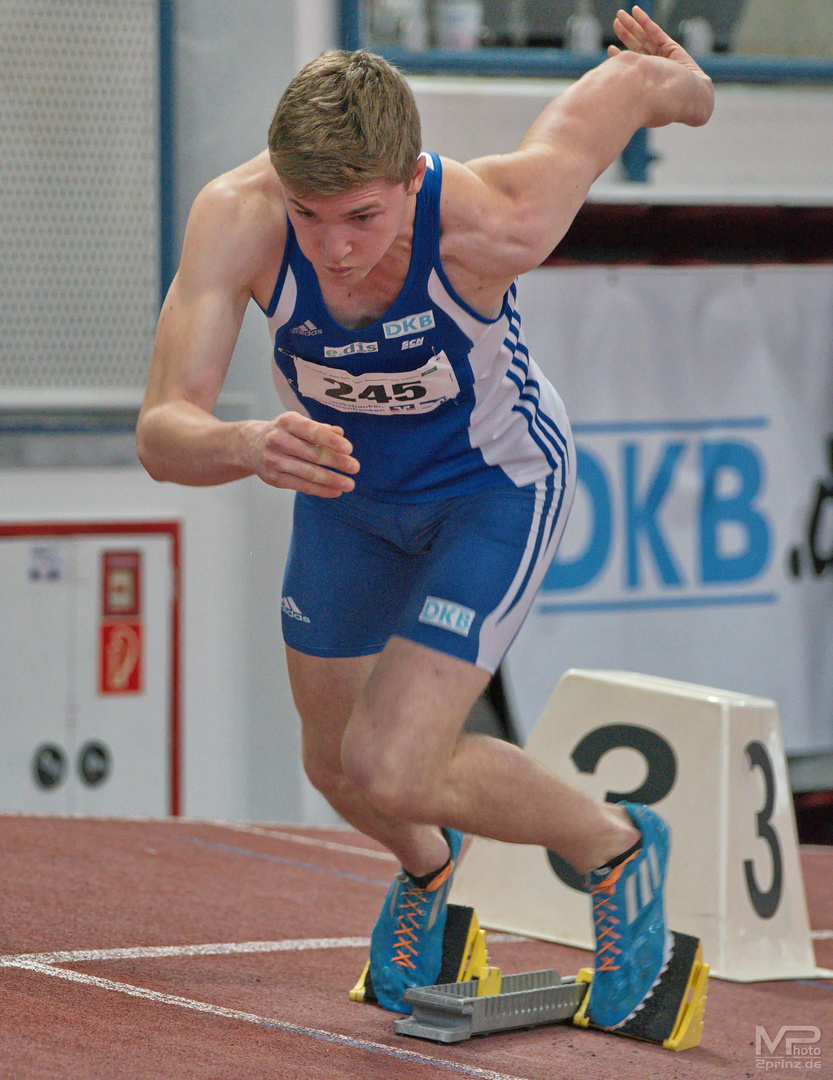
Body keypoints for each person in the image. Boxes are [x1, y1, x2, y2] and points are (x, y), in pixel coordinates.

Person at [137, 6, 713, 1029]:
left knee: (395, 761)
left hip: (491, 487)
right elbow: (161, 431)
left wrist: (671, 76)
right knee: (334, 766)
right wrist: (240, 443)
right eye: (308, 217)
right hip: (344, 494)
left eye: (360, 216)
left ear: (412, 178)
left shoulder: (496, 215)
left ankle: (613, 849)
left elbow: (642, 94)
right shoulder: (237, 215)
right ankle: (428, 873)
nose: (334, 248)